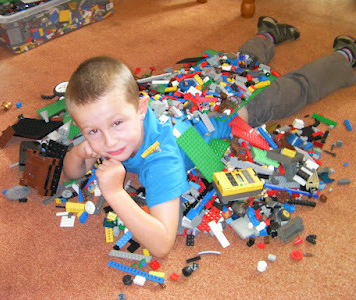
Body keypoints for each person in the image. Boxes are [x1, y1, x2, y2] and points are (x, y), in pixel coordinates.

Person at [62, 16, 356, 257]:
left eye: (116, 123)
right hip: (198, 103)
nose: (109, 142)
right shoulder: (114, 128)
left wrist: (115, 192)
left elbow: (162, 244)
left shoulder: (161, 160)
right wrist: (78, 153)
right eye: (93, 131)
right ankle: (267, 33)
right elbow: (70, 175)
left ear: (141, 108)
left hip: (233, 113)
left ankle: (344, 57)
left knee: (288, 89)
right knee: (242, 65)